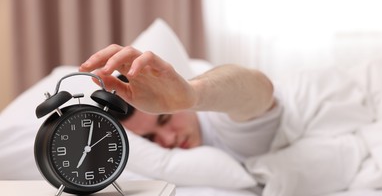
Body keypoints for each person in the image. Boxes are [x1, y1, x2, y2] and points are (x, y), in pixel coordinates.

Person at [79, 44, 282, 162]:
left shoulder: (219, 116)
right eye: (150, 138)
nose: (168, 140)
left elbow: (261, 90)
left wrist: (193, 95)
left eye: (165, 119)